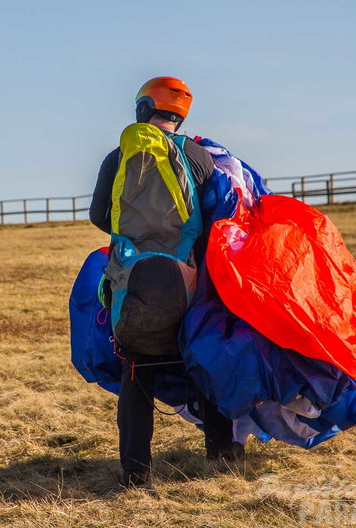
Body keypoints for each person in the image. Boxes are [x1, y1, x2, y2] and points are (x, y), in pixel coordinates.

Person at [89, 77, 244, 487]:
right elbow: (217, 215)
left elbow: (98, 215)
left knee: (136, 375)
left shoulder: (117, 157)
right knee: (203, 361)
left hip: (133, 278)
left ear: (143, 110)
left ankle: (136, 472)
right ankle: (222, 451)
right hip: (188, 280)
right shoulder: (198, 157)